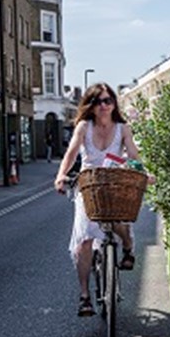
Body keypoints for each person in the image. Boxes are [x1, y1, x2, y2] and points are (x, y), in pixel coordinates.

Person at [54, 83, 141, 317]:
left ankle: (128, 247)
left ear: (114, 104)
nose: (104, 106)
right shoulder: (84, 126)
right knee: (84, 241)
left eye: (108, 101)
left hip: (114, 183)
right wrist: (61, 175)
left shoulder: (123, 128)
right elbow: (71, 153)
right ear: (91, 107)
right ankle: (85, 297)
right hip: (89, 186)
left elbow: (133, 155)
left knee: (120, 222)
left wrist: (143, 172)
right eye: (98, 102)